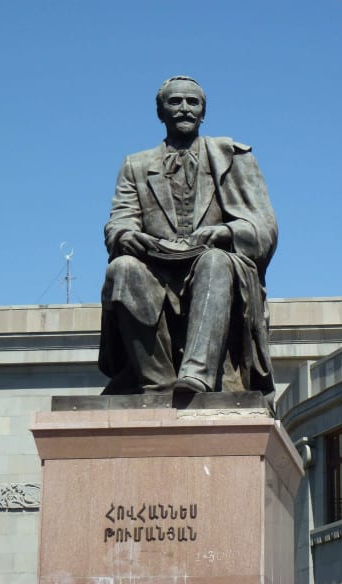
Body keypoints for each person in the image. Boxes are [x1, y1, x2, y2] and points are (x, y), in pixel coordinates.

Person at [98, 76, 277, 395]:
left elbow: (264, 229)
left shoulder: (233, 158)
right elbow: (119, 220)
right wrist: (125, 236)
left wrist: (225, 231)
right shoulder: (135, 165)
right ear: (160, 112)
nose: (184, 108)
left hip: (215, 265)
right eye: (175, 102)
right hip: (157, 268)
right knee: (122, 268)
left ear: (203, 112)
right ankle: (158, 382)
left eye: (192, 102)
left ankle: (197, 375)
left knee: (215, 262)